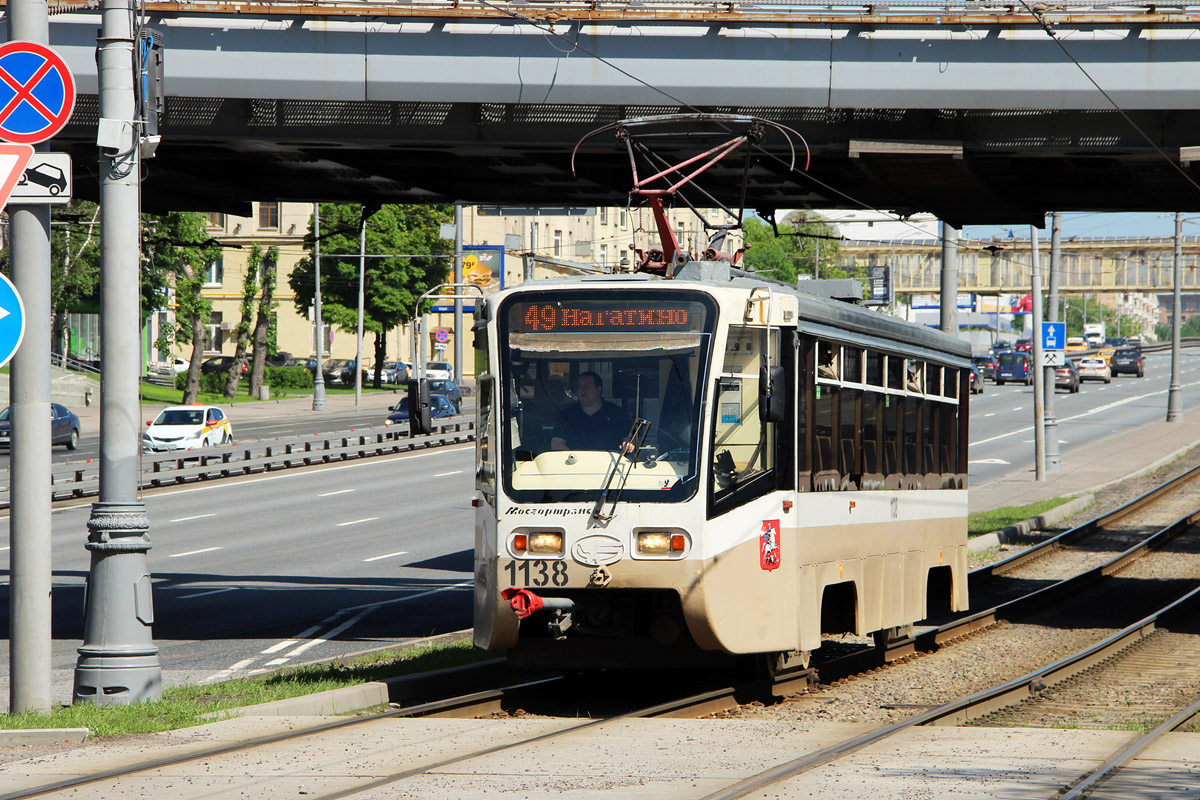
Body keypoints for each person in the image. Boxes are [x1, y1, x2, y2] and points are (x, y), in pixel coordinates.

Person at [550, 371, 633, 452]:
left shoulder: (617, 413)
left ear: (598, 389)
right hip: (575, 464)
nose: (582, 390)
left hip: (610, 464)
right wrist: (574, 459)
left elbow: (630, 439)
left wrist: (628, 444)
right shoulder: (567, 415)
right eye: (580, 386)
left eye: (586, 386)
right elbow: (556, 443)